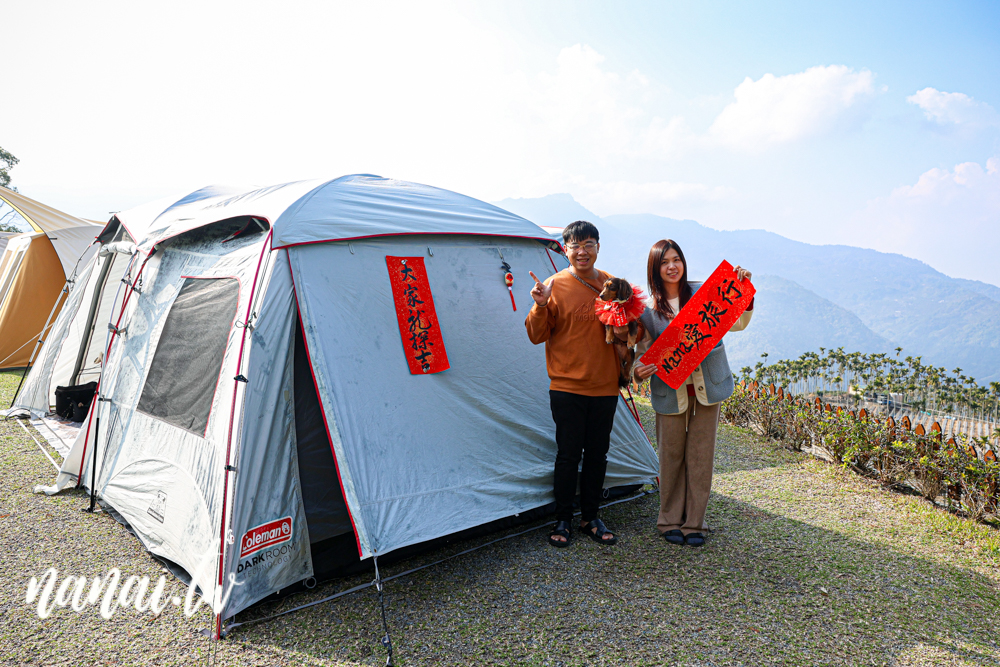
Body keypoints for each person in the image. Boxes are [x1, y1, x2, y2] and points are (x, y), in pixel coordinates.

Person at [632, 239, 752, 547]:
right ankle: (669, 519)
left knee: (701, 455)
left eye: (676, 260)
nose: (672, 266)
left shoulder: (705, 293)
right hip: (670, 392)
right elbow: (641, 353)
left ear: (683, 263)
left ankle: (695, 522)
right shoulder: (646, 310)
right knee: (670, 455)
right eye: (664, 262)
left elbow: (736, 323)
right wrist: (637, 371)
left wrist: (743, 292)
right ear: (655, 269)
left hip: (707, 386)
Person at [525, 220, 624, 548]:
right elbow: (536, 335)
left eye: (589, 244)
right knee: (568, 455)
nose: (582, 251)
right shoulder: (554, 286)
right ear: (565, 250)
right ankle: (563, 518)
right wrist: (540, 305)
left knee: (598, 454)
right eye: (575, 246)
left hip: (605, 386)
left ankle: (591, 517)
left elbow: (626, 330)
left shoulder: (612, 284)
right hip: (566, 387)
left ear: (598, 247)